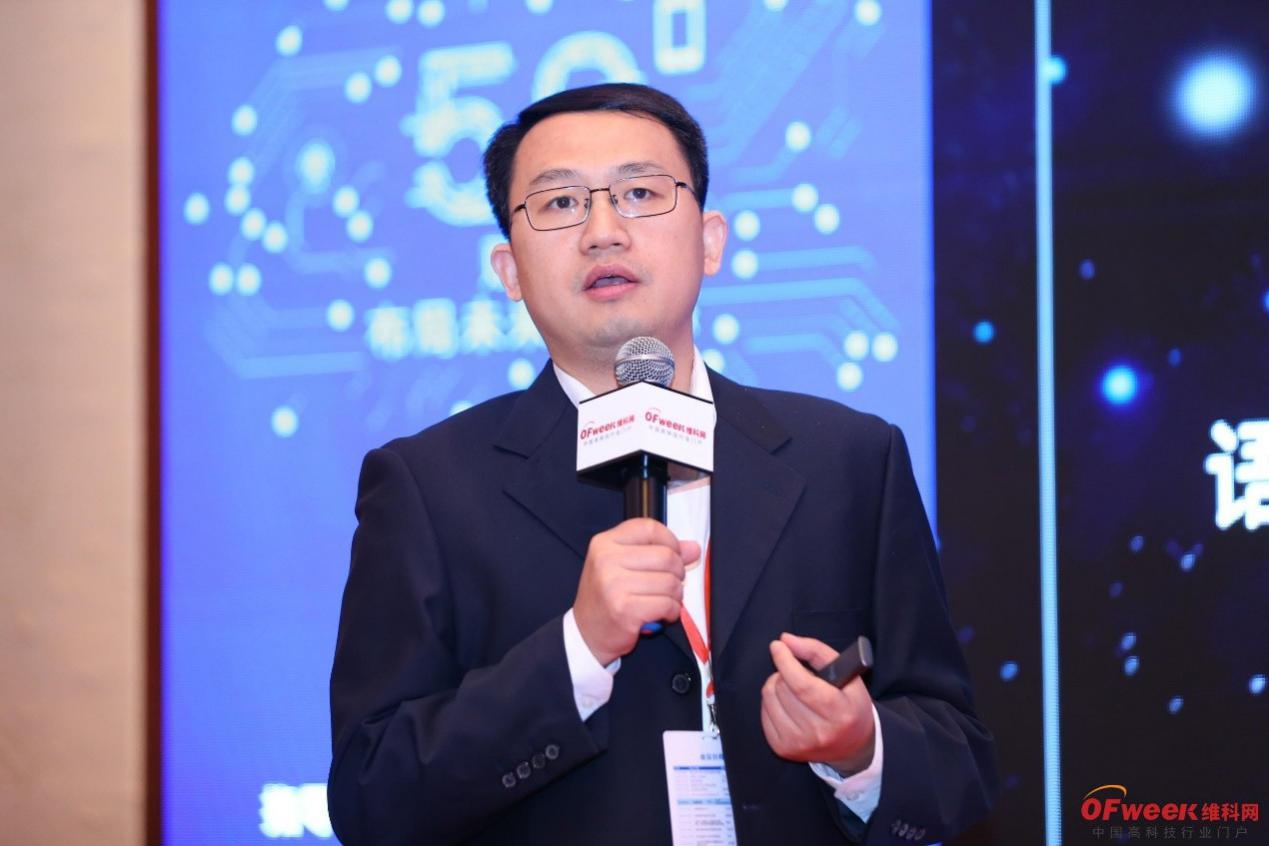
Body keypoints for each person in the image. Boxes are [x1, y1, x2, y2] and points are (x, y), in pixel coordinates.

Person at [328, 83, 997, 845]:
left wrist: (858, 747)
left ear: (709, 241)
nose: (602, 232)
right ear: (509, 271)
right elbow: (372, 796)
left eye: (640, 193)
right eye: (559, 203)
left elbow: (959, 766)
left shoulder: (848, 459)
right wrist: (577, 651)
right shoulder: (428, 486)